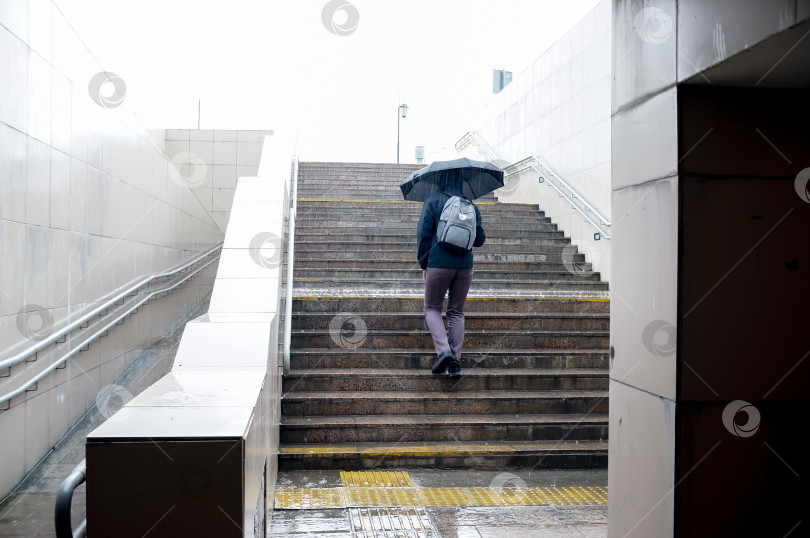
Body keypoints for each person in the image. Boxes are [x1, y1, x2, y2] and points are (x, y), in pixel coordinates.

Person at [417, 180, 486, 378]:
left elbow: (423, 235)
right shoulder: (470, 205)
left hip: (438, 262)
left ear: (438, 182)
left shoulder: (432, 201)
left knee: (431, 308)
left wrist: (424, 264)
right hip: (465, 265)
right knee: (456, 312)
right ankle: (455, 363)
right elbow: (479, 240)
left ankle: (444, 352)